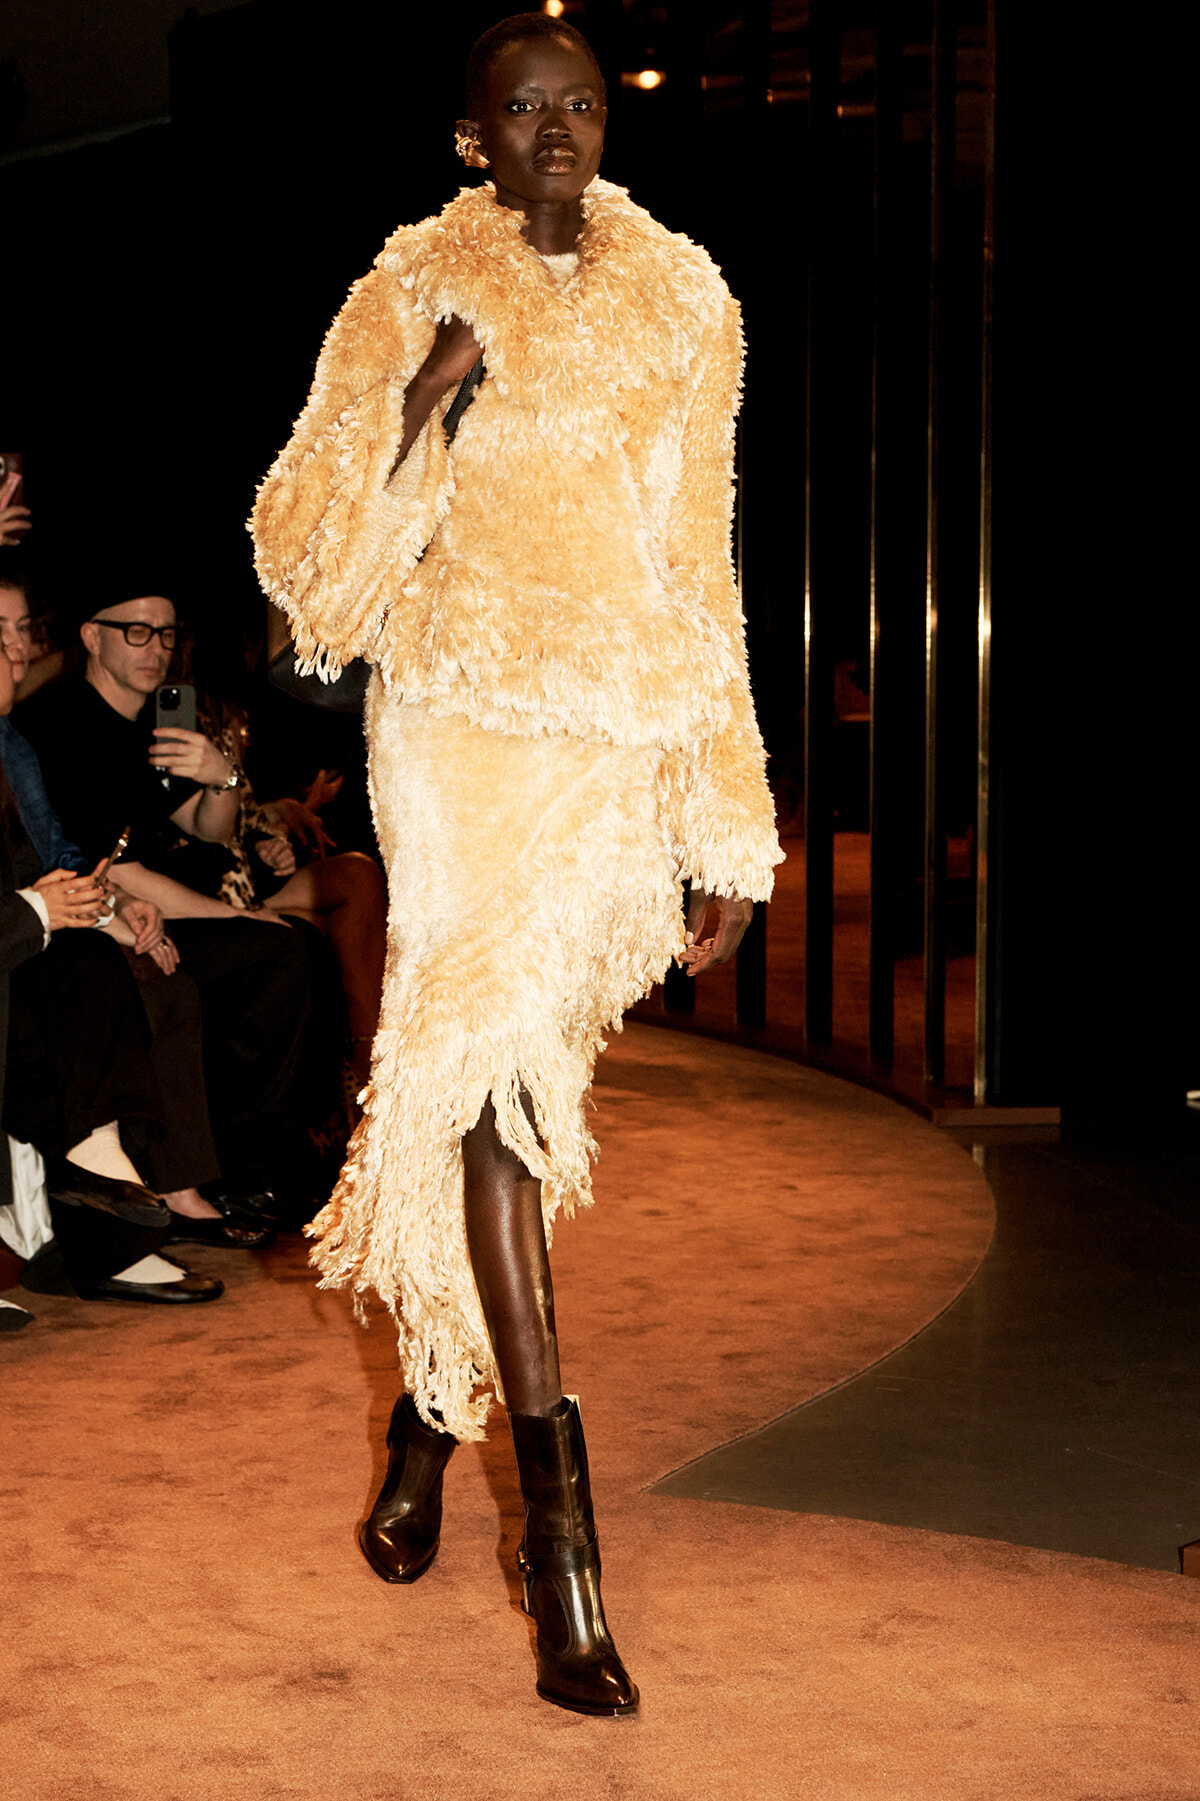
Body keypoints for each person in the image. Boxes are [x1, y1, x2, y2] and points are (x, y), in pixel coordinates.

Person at [252, 14, 782, 1716]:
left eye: (582, 106)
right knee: (482, 1092)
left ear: (605, 126)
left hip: (613, 736)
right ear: (471, 136)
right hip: (461, 727)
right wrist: (425, 394)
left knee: (519, 1100)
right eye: (522, 110)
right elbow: (305, 556)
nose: (556, 130)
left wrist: (723, 821)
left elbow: (700, 566)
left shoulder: (690, 301)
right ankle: (560, 1536)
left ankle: (428, 1427)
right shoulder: (409, 278)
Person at [16, 587, 315, 1222]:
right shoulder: (62, 723)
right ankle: (244, 1173)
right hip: (104, 915)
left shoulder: (155, 720)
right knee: (277, 950)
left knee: (286, 946)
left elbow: (208, 827)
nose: (157, 648)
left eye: (167, 634)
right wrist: (234, 916)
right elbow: (117, 870)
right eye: (137, 632)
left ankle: (260, 1168)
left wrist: (221, 775)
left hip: (150, 903)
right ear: (92, 637)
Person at [0, 636, 224, 1306]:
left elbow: (61, 860)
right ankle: (100, 1187)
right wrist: (46, 908)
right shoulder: (50, 731)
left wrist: (110, 906)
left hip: (29, 946)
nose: (17, 653)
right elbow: (34, 891)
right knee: (83, 974)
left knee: (110, 963)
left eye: (21, 633)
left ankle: (105, 1191)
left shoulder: (12, 746)